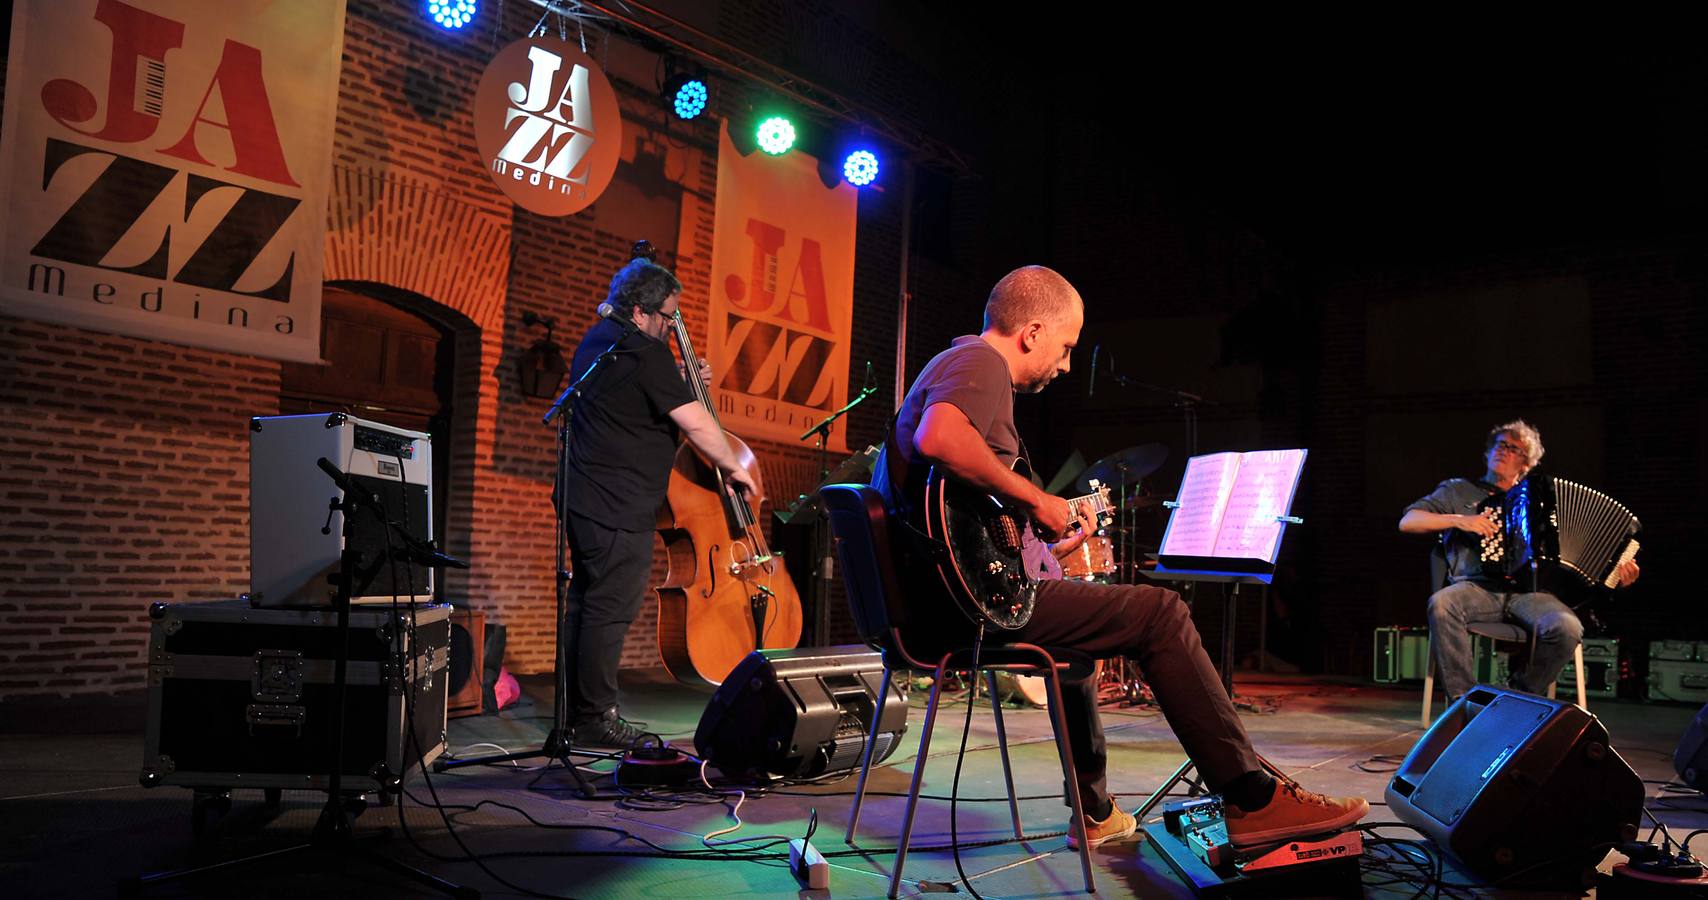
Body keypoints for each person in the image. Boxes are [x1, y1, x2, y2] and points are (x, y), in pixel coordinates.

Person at [873, 265, 1368, 849]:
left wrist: (1039, 546)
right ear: (1031, 332)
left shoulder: (954, 368)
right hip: (960, 616)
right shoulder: (979, 364)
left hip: (939, 609)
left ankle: (1096, 810)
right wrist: (1039, 499)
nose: (1063, 366)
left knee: (1078, 652)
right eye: (1065, 348)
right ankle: (1252, 799)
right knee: (1161, 613)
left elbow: (958, 524)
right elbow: (939, 440)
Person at [557, 257, 761, 749]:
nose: (673, 326)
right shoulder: (645, 355)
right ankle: (596, 718)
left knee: (586, 605)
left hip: (584, 497)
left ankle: (575, 714)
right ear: (642, 311)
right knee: (610, 609)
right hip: (616, 503)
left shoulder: (599, 342)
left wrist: (680, 379)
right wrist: (734, 466)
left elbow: (639, 405)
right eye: (669, 317)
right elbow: (695, 424)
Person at [1399, 420, 1638, 703]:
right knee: (1441, 604)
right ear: (1488, 452)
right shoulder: (1457, 490)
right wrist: (1460, 521)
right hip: (1477, 588)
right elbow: (1408, 522)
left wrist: (1616, 576)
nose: (1504, 451)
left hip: (1532, 593)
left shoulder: (1542, 501)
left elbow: (1579, 562)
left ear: (1527, 464)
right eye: (1500, 445)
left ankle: (1514, 700)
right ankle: (1465, 704)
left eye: (1515, 449)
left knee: (1567, 628)